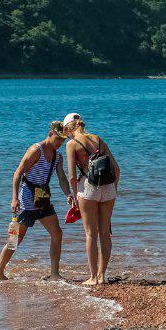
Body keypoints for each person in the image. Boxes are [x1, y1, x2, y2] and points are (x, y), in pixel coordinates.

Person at [0, 121, 74, 281]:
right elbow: (18, 173)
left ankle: (54, 274)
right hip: (27, 199)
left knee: (57, 233)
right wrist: (15, 198)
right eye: (58, 139)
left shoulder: (58, 156)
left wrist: (68, 194)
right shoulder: (35, 150)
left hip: (43, 196)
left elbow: (62, 177)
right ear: (50, 134)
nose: (60, 143)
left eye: (63, 140)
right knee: (15, 238)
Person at [63, 113, 120, 285]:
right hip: (108, 188)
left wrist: (73, 195)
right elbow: (116, 169)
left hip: (88, 189)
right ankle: (103, 276)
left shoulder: (71, 144)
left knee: (90, 233)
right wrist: (113, 190)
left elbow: (72, 176)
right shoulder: (97, 139)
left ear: (67, 129)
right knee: (105, 233)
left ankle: (93, 277)